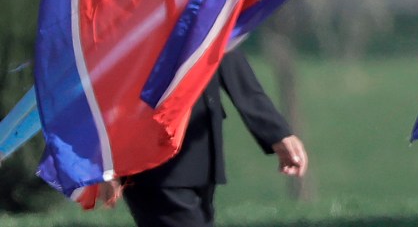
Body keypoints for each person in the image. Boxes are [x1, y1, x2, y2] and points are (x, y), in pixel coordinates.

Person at [99, 49, 308, 227]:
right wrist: (105, 158)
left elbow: (223, 43)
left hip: (200, 151)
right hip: (153, 157)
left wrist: (275, 131)